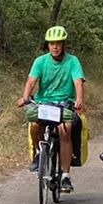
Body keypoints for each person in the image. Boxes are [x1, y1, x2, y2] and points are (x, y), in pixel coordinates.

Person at [18, 24, 85, 191]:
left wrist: (79, 99)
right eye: (51, 43)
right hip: (43, 102)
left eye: (58, 43)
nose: (55, 46)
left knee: (65, 131)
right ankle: (38, 154)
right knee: (34, 124)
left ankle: (65, 176)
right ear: (47, 45)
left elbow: (78, 82)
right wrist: (25, 98)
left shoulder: (72, 61)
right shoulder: (40, 61)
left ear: (63, 44)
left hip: (64, 102)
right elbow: (31, 81)